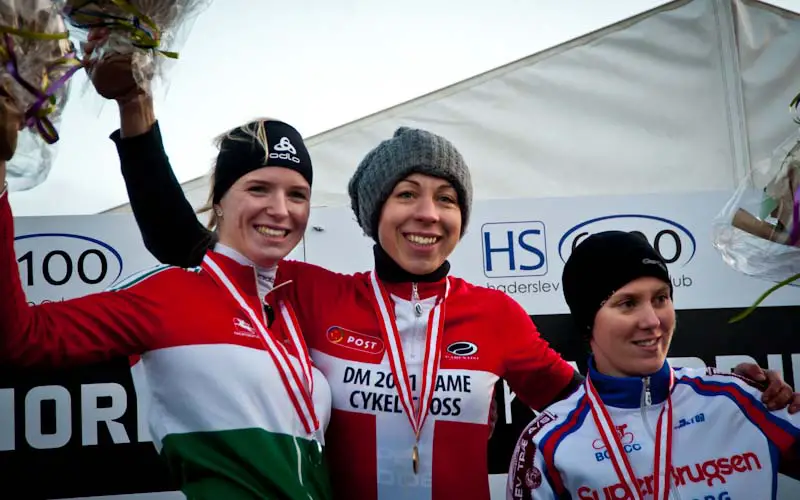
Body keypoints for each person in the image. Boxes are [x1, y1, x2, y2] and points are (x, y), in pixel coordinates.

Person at [83, 31, 797, 499]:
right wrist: (137, 111)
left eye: (447, 198)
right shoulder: (309, 291)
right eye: (407, 194)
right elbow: (184, 244)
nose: (428, 213)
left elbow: (593, 401)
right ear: (372, 212)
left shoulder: (496, 313)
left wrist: (729, 394)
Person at [0, 86, 333, 499]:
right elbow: (22, 338)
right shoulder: (165, 296)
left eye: (297, 195)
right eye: (259, 188)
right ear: (220, 202)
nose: (281, 209)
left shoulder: (294, 301)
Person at [506, 231, 800, 500]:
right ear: (587, 324)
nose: (652, 320)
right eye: (628, 303)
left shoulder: (740, 398)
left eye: (661, 298)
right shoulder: (547, 443)